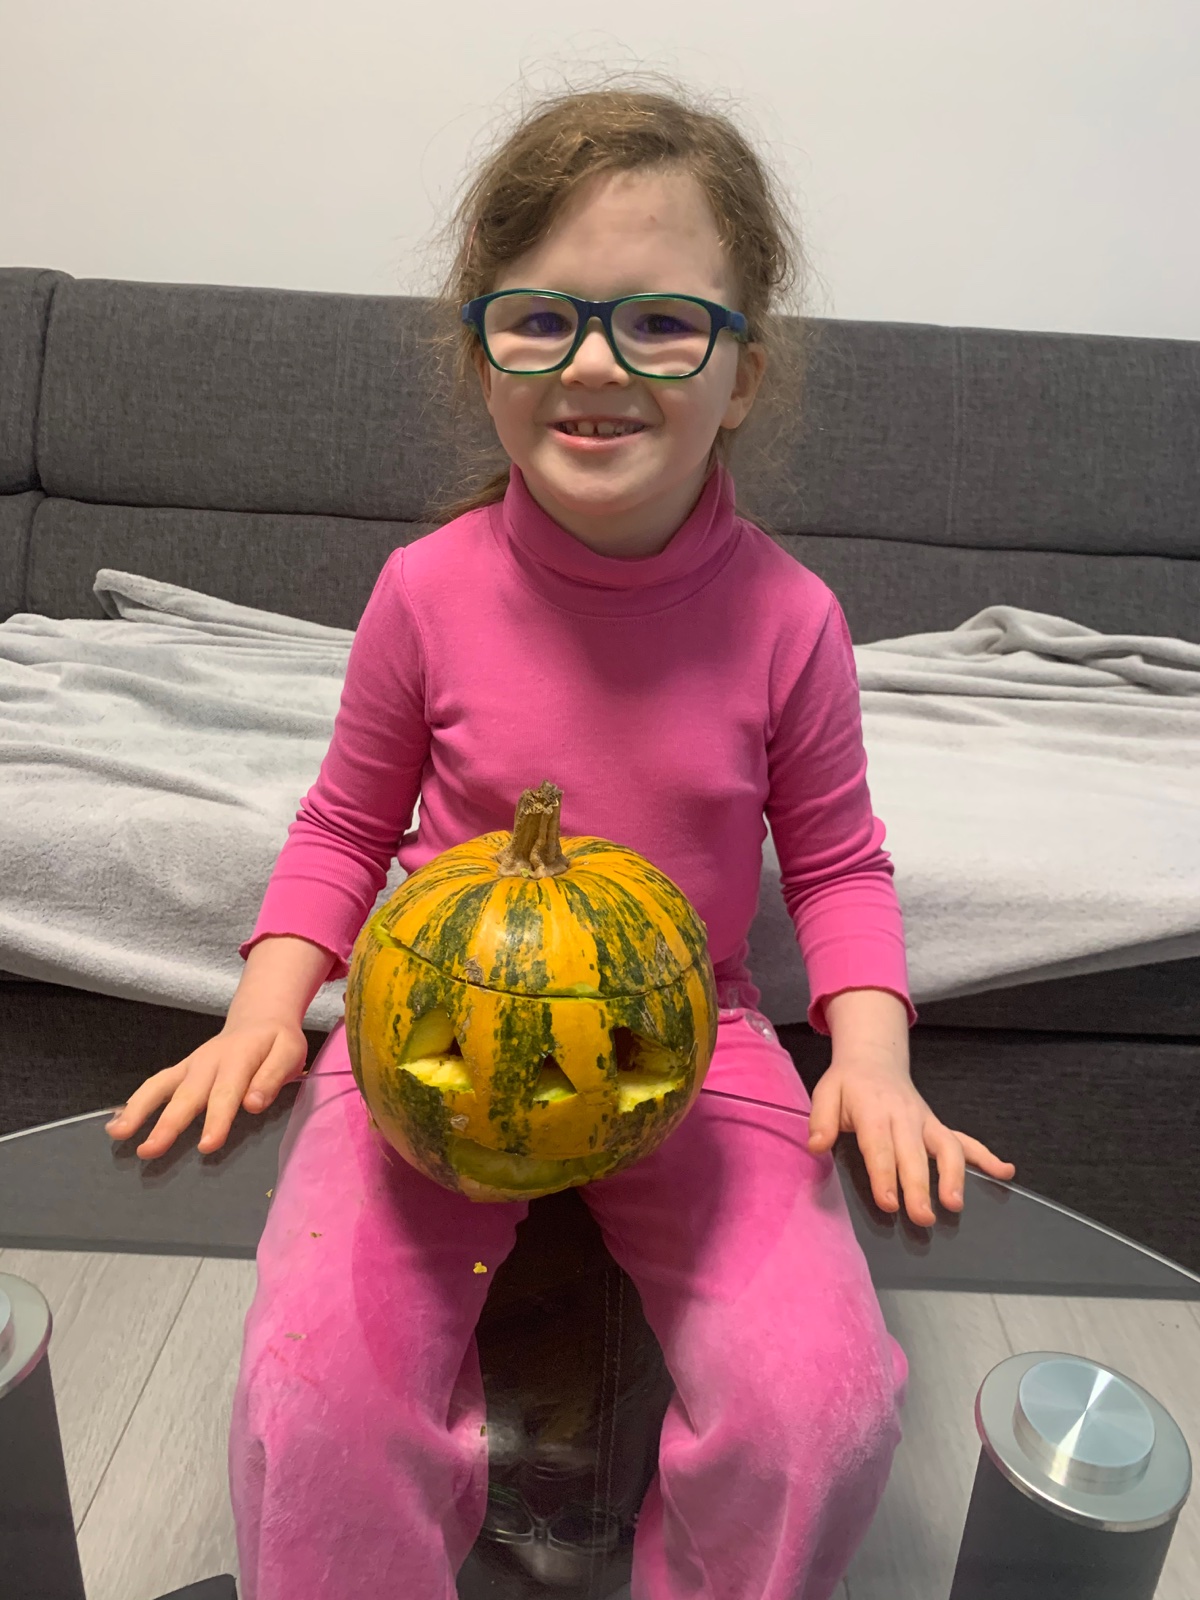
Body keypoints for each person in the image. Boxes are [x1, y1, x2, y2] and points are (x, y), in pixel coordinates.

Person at [106, 83, 1015, 1600]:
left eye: (661, 323)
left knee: (826, 1412)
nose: (597, 362)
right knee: (311, 1401)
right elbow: (345, 824)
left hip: (687, 1041)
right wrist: (265, 1010)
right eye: (542, 319)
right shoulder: (424, 591)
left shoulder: (793, 621)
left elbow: (840, 865)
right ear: (485, 360)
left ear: (742, 373)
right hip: (429, 1038)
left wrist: (872, 1058)